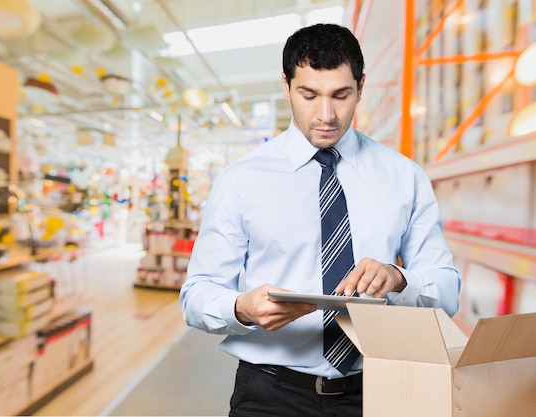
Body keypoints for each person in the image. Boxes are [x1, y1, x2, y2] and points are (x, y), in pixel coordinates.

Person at [179, 23, 461, 417]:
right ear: (286, 85)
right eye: (308, 95)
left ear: (361, 87)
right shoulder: (240, 180)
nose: (326, 115)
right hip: (269, 393)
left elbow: (447, 292)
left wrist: (400, 279)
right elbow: (196, 296)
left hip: (380, 390)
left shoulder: (405, 177)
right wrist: (242, 307)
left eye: (341, 95)